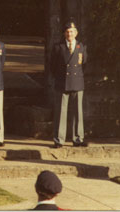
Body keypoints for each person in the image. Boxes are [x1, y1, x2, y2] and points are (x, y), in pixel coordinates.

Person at [51, 20, 88, 148]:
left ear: (76, 33)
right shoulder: (58, 47)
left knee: (78, 112)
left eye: (72, 31)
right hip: (62, 82)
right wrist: (59, 78)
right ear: (64, 33)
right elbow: (53, 66)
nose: (69, 34)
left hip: (77, 82)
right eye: (67, 32)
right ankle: (59, 140)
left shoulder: (81, 46)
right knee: (61, 112)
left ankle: (78, 138)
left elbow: (84, 64)